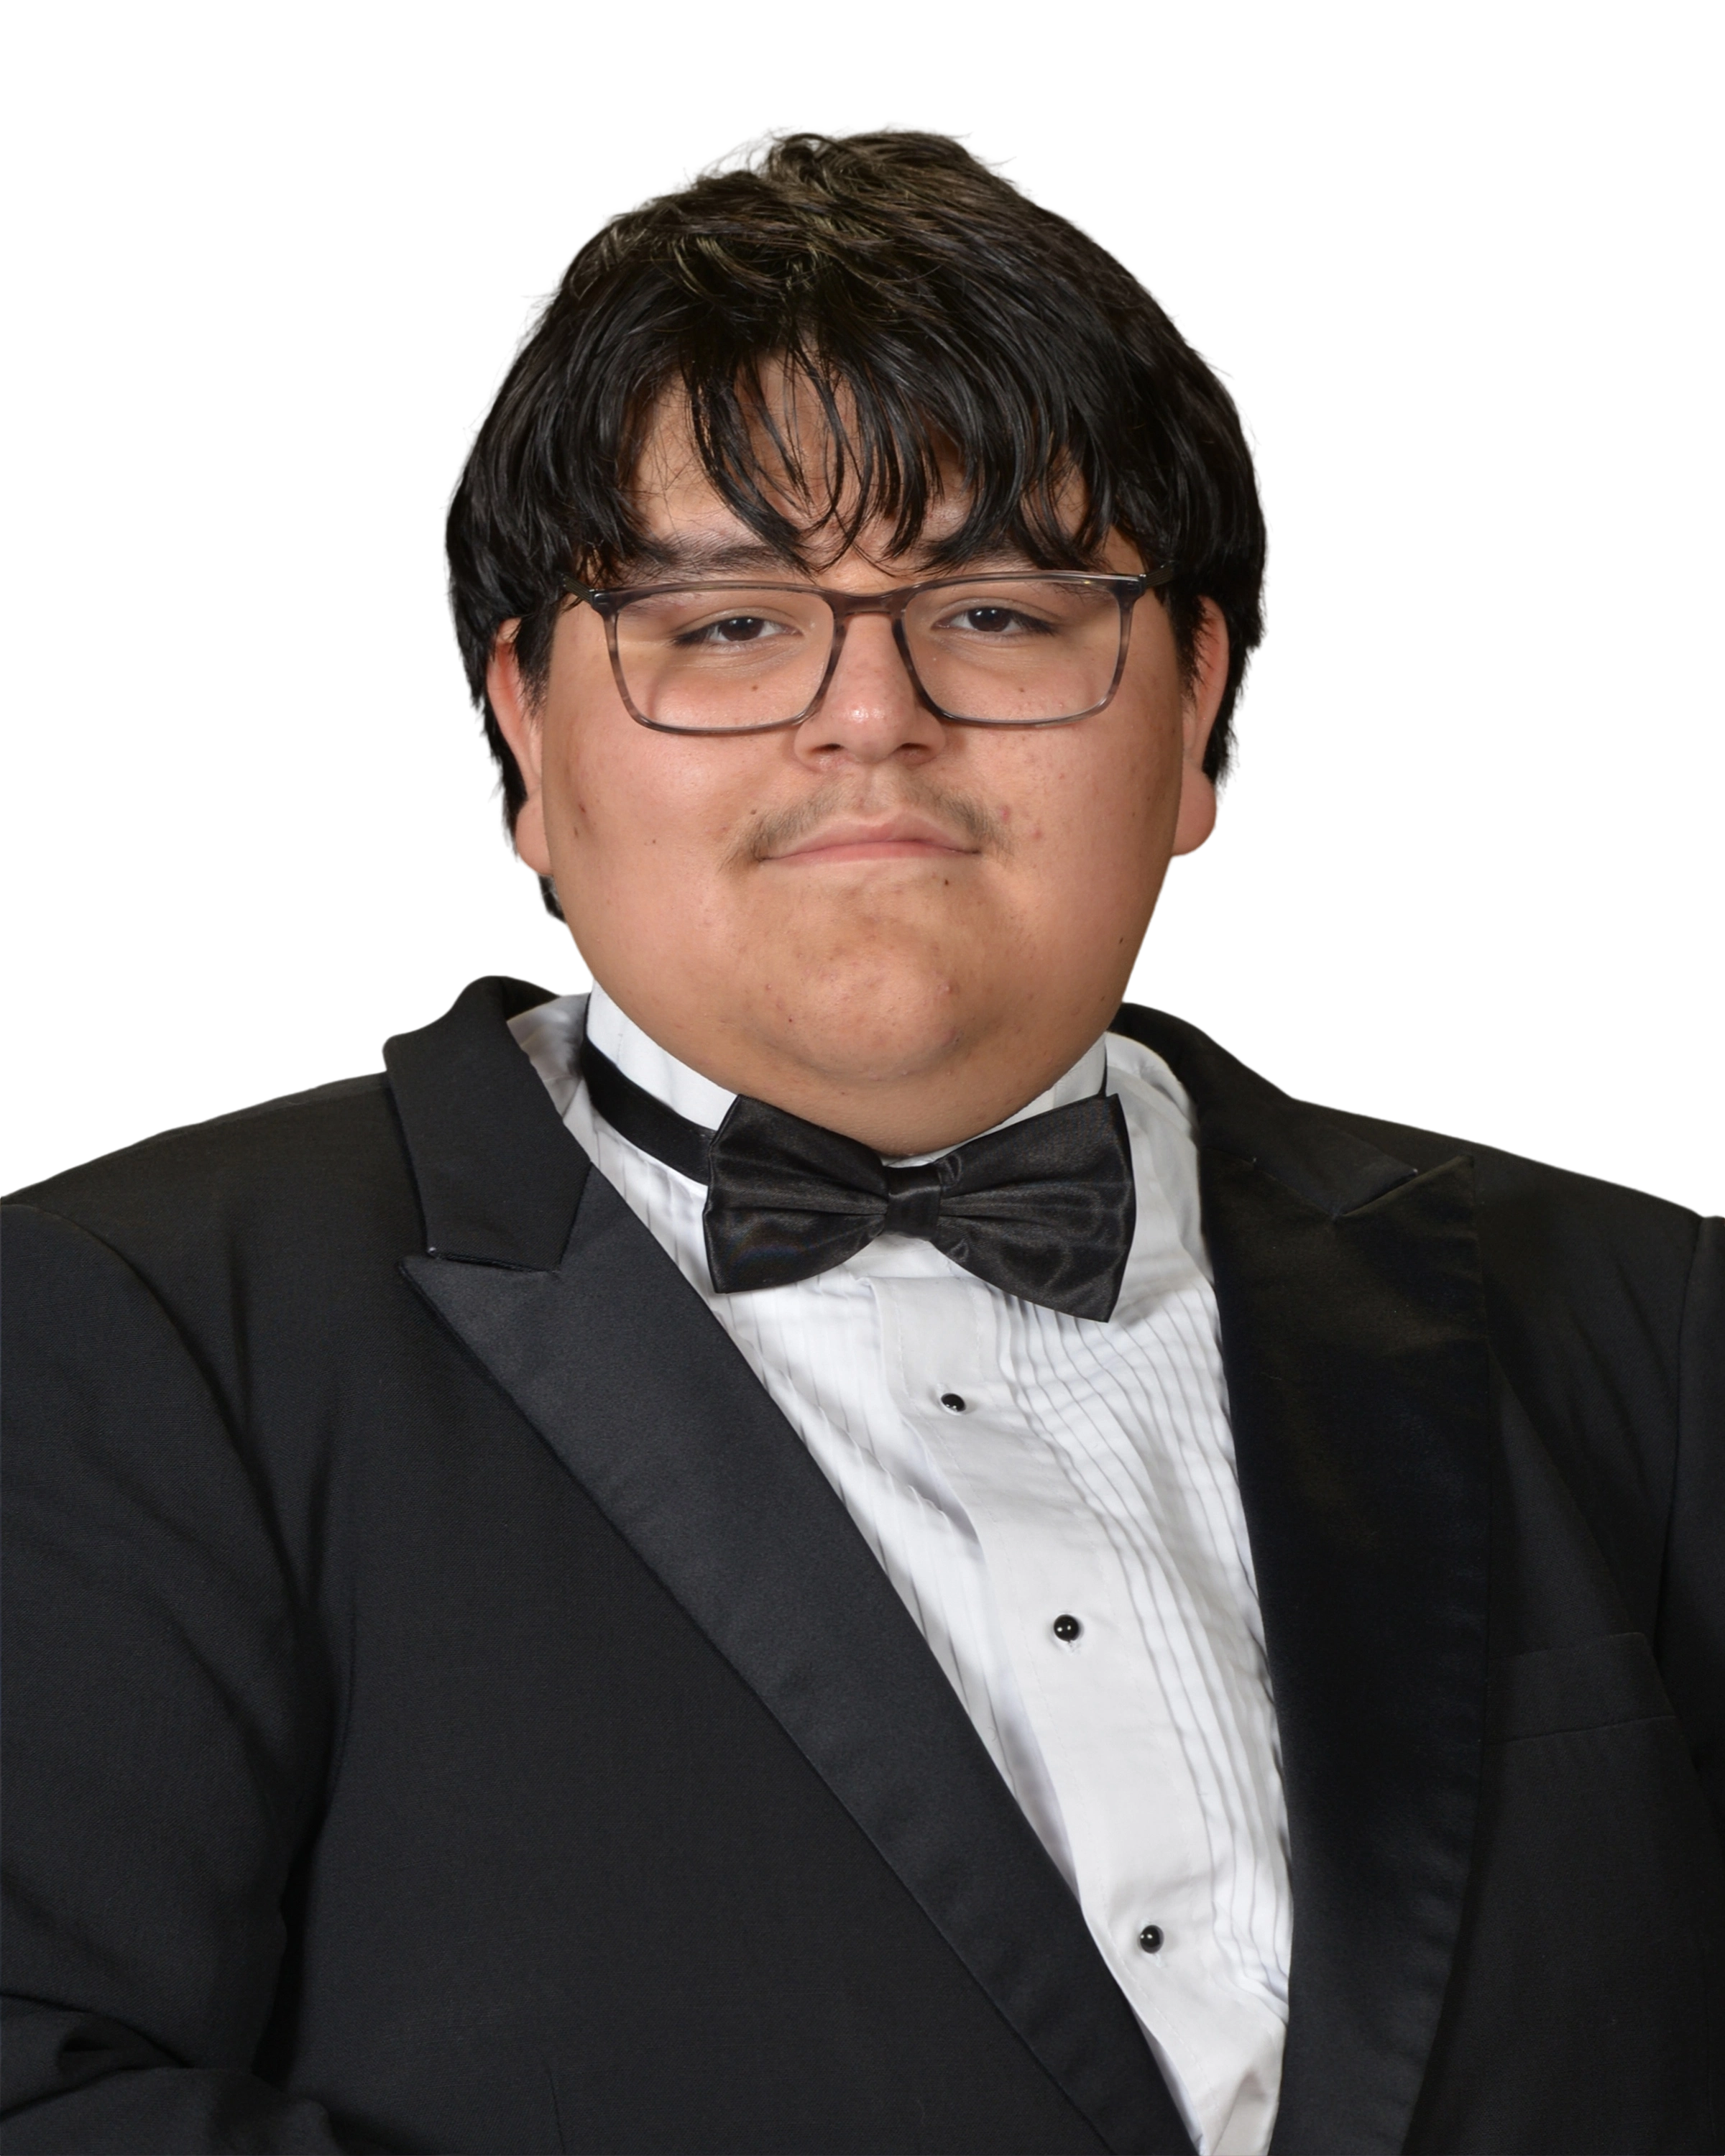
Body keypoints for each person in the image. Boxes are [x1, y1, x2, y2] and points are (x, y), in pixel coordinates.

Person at [2, 120, 1719, 2156]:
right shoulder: (124, 1329)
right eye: (728, 624)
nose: (870, 714)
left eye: (997, 610)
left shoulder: (1650, 1315)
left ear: (1195, 714)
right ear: (528, 736)